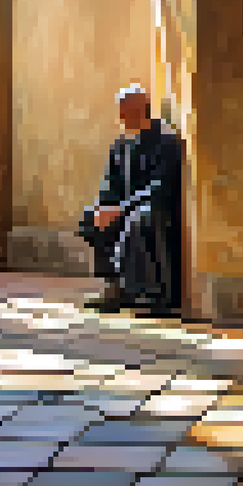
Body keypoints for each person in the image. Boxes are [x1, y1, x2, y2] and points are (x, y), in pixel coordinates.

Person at [77, 84, 183, 314]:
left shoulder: (166, 142)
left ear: (143, 109)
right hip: (127, 206)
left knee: (139, 219)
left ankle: (153, 293)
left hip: (156, 206)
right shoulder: (120, 145)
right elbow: (110, 184)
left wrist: (122, 209)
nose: (121, 116)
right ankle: (115, 287)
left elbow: (161, 186)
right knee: (91, 217)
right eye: (120, 110)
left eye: (126, 110)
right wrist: (103, 208)